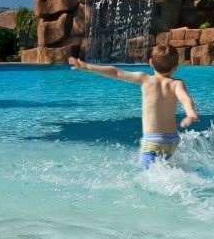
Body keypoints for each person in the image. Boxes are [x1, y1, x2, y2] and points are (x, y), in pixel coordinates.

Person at [68, 45, 198, 169]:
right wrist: (190, 113)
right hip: (172, 141)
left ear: (151, 62)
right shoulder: (176, 84)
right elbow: (185, 98)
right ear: (176, 67)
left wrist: (87, 66)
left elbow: (116, 72)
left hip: (152, 142)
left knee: (149, 175)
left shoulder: (145, 79)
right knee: (162, 167)